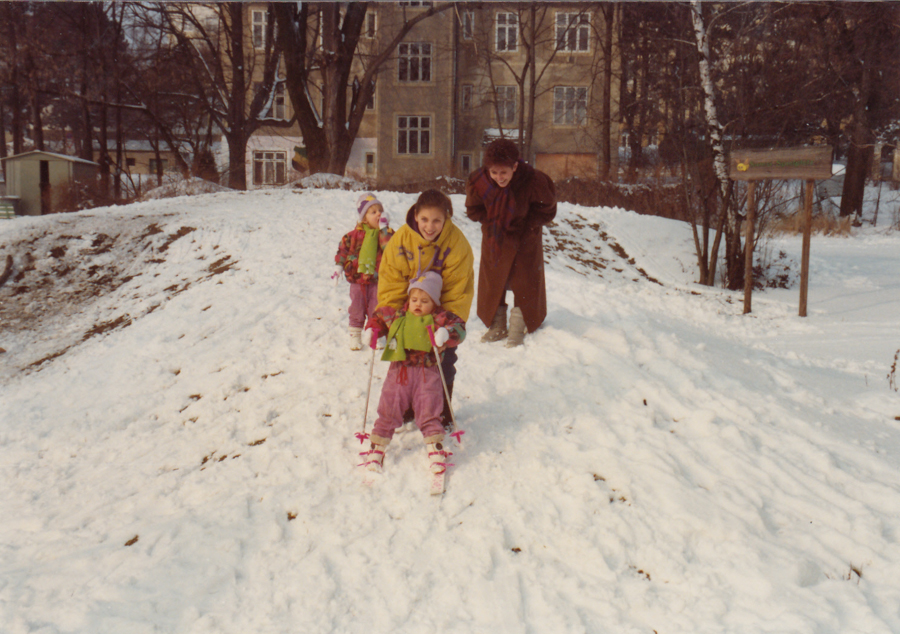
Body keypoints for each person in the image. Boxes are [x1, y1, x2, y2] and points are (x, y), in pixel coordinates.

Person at [368, 189, 474, 426]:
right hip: (408, 311)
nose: (429, 226)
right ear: (415, 215)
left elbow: (457, 289)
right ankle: (407, 406)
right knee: (404, 360)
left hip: (439, 315)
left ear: (446, 218)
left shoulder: (457, 244)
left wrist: (447, 326)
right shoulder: (401, 240)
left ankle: (442, 410)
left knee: (443, 361)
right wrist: (389, 319)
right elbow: (391, 281)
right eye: (424, 219)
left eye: (437, 220)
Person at [360, 271, 466, 474]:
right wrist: (372, 330)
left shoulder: (439, 318)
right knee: (390, 404)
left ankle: (435, 446)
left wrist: (446, 333)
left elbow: (459, 327)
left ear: (434, 303)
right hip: (400, 371)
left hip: (428, 372)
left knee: (429, 407)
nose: (418, 304)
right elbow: (380, 316)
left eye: (425, 301)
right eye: (414, 299)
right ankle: (378, 444)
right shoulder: (399, 316)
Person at [465, 138, 557, 347]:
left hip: (525, 239)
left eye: (504, 172)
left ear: (514, 167)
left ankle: (518, 326)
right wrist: (492, 222)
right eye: (494, 172)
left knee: (524, 280)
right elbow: (473, 209)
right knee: (493, 281)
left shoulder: (532, 181)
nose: (499, 177)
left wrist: (528, 225)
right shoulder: (479, 182)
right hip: (495, 238)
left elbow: (547, 208)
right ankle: (497, 325)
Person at [335, 193, 393, 350]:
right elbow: (343, 250)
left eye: (380, 211)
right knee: (357, 307)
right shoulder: (353, 236)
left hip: (377, 280)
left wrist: (384, 229)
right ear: (364, 218)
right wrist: (338, 266)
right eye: (373, 212)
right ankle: (355, 335)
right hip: (357, 280)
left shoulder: (386, 234)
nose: (378, 214)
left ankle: (376, 335)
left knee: (377, 308)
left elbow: (390, 248)